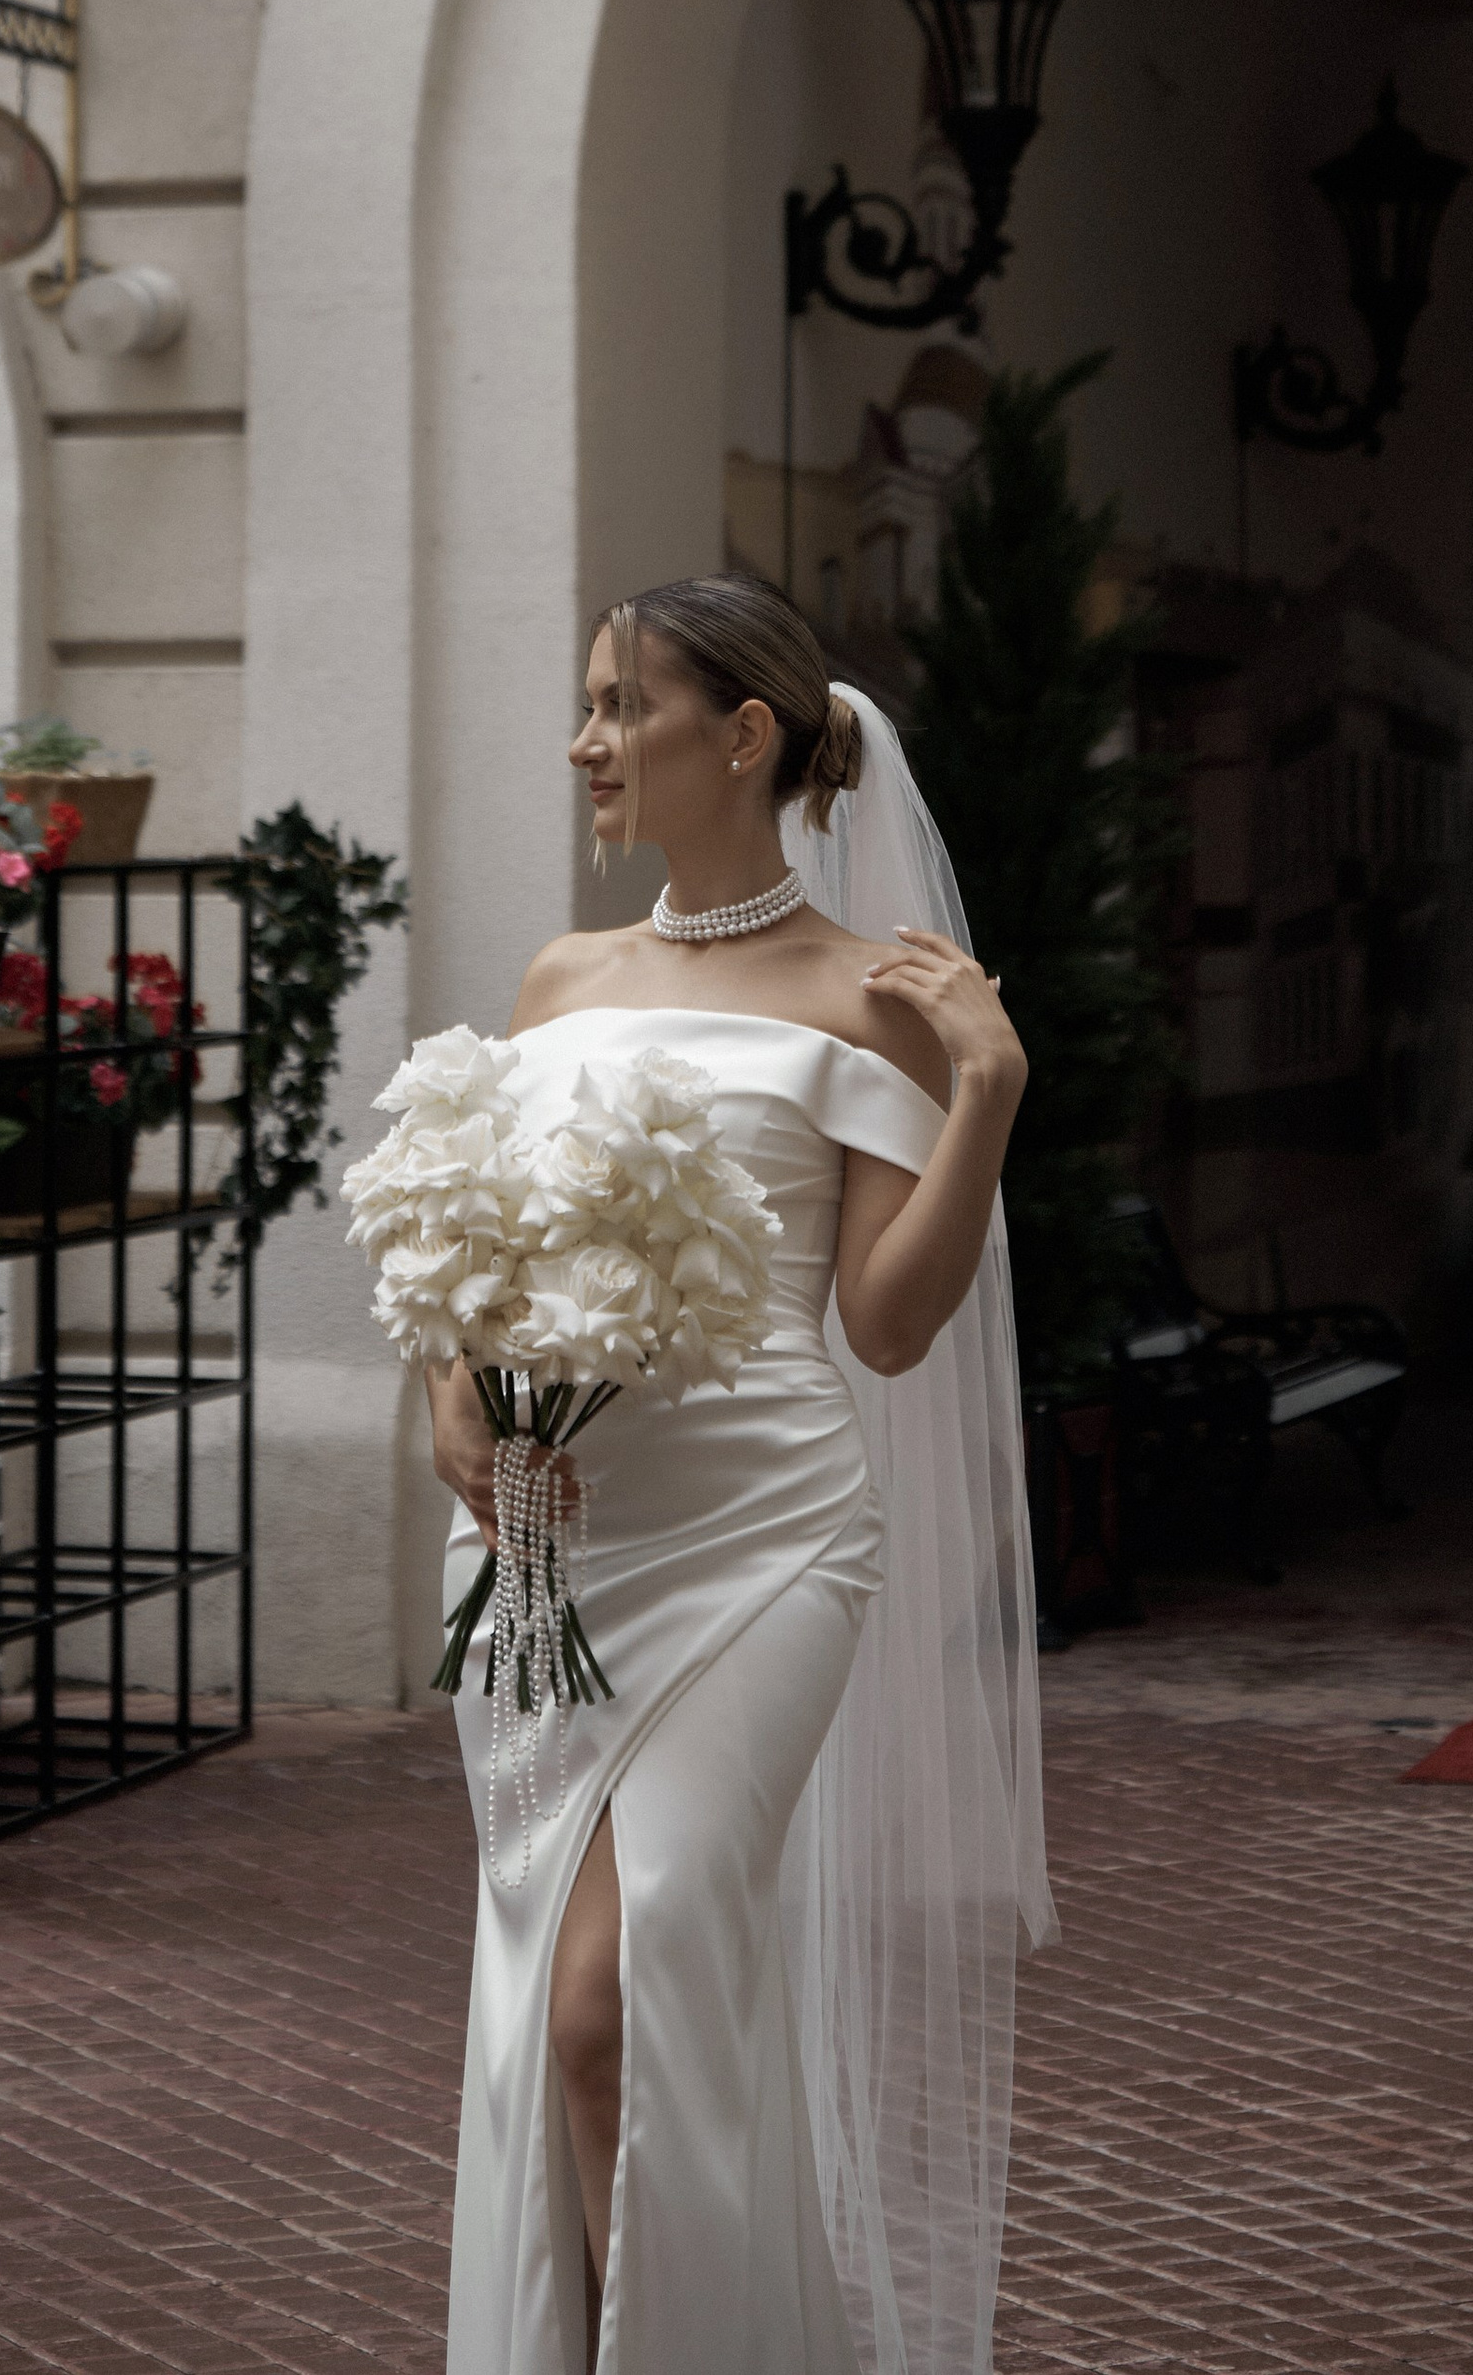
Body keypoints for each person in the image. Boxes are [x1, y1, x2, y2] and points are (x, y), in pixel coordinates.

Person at [423, 574, 1052, 2375]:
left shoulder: (875, 997)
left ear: (747, 733)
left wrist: (989, 1094)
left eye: (621, 705)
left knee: (616, 2001)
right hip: (547, 1542)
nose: (585, 743)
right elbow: (478, 1247)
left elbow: (890, 1324)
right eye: (588, 705)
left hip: (764, 1540)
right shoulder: (563, 979)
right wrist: (452, 1402)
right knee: (561, 2007)